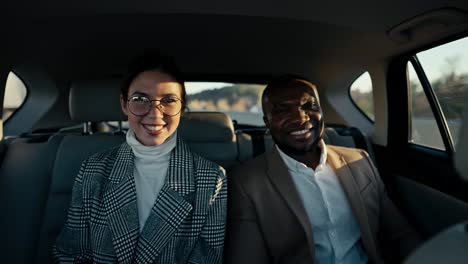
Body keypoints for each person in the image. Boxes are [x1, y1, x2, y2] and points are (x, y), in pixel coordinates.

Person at [224, 75, 421, 264]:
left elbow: (400, 233)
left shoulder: (359, 160)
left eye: (309, 106)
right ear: (267, 122)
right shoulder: (246, 182)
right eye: (282, 110)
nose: (300, 118)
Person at [53, 52, 227, 263]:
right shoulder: (94, 169)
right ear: (124, 104)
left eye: (169, 100)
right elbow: (72, 255)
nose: (155, 114)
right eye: (140, 99)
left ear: (182, 107)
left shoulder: (211, 179)